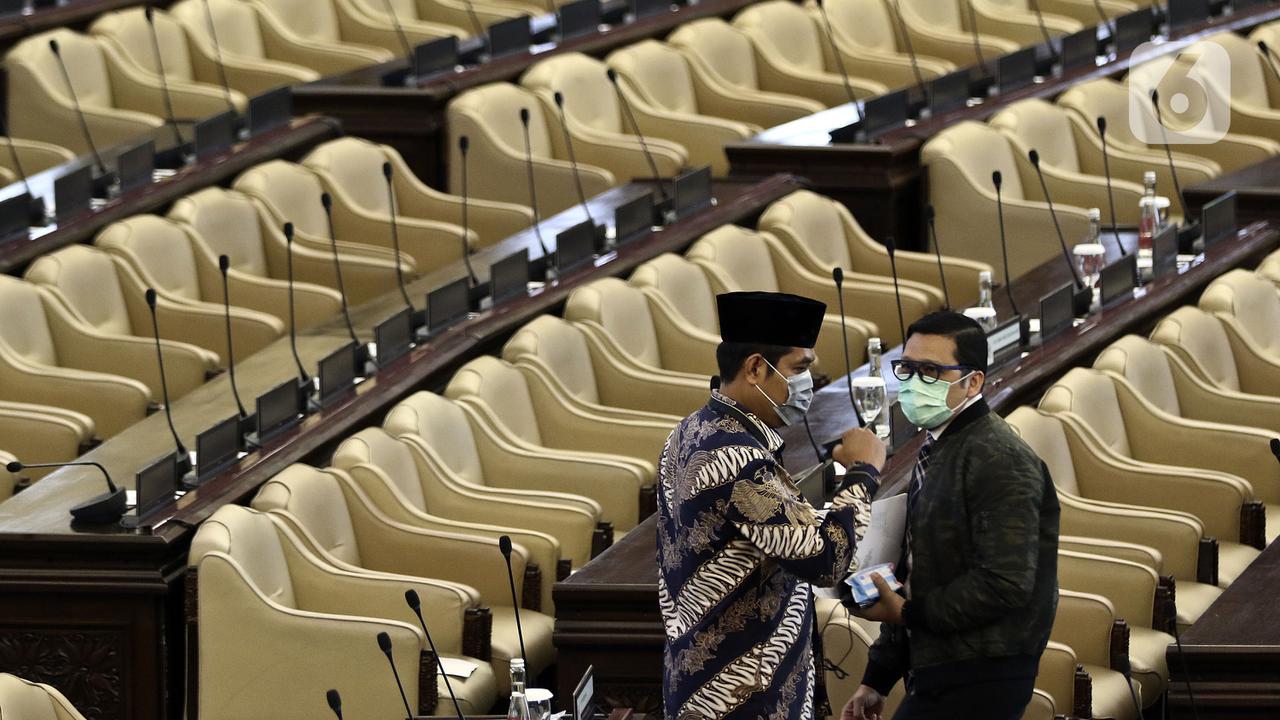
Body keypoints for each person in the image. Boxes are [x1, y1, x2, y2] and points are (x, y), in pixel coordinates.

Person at [657, 290, 887, 719]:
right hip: (745, 693)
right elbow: (826, 560)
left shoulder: (688, 431)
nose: (808, 385)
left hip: (699, 681)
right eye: (799, 369)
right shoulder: (737, 458)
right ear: (756, 368)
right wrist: (864, 472)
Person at [841, 311, 1060, 720]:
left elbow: (1005, 583)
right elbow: (915, 567)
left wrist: (906, 613)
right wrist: (878, 677)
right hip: (939, 666)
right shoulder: (941, 447)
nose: (912, 382)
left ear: (972, 381)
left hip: (983, 675)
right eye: (906, 368)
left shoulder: (1001, 459)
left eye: (930, 371)